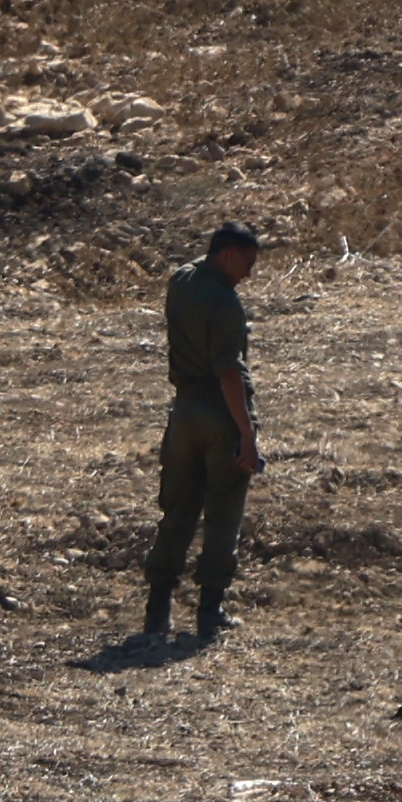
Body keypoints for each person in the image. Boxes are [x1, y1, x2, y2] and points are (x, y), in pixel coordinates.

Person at [139, 218, 264, 643]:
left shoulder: (182, 280)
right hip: (219, 412)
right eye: (246, 262)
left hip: (183, 412)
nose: (249, 273)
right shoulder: (226, 304)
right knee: (224, 510)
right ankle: (210, 611)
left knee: (177, 510)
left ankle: (157, 609)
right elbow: (229, 372)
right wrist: (246, 433)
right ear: (228, 254)